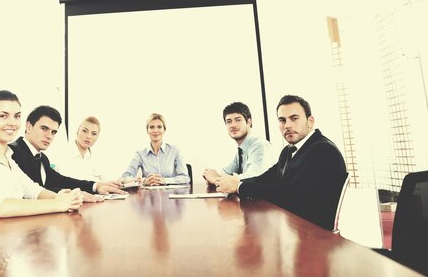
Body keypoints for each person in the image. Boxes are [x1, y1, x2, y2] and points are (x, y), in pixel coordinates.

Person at [216, 95, 348, 230]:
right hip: (291, 227)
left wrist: (239, 187)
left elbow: (291, 193)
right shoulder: (288, 151)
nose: (288, 125)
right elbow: (265, 178)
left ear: (310, 121)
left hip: (316, 235)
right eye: (282, 120)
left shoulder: (323, 150)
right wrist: (236, 184)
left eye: (294, 118)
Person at [0, 90, 83, 229]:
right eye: (3, 116)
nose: (12, 123)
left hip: (3, 236)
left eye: (17, 116)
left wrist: (61, 198)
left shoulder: (8, 157)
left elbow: (33, 190)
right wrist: (58, 204)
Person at [9, 105, 126, 201]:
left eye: (53, 132)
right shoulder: (12, 152)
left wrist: (95, 186)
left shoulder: (42, 158)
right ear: (29, 127)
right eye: (44, 128)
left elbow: (61, 180)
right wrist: (71, 195)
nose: (49, 136)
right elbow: (31, 192)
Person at [203, 102, 274, 185]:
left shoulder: (260, 145)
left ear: (249, 121)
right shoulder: (241, 150)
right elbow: (226, 172)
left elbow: (252, 178)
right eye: (229, 121)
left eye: (238, 120)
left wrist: (216, 179)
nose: (233, 125)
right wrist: (212, 175)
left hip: (265, 197)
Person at [120, 113, 190, 186]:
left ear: (164, 130)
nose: (155, 130)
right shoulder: (140, 154)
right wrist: (144, 180)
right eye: (152, 127)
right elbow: (125, 178)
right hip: (149, 195)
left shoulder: (175, 150)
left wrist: (164, 180)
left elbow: (185, 178)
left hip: (169, 194)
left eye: (159, 127)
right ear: (147, 130)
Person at [56, 116, 105, 182]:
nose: (88, 136)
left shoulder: (97, 159)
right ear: (77, 131)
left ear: (97, 137)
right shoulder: (61, 154)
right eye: (84, 131)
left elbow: (106, 180)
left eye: (94, 134)